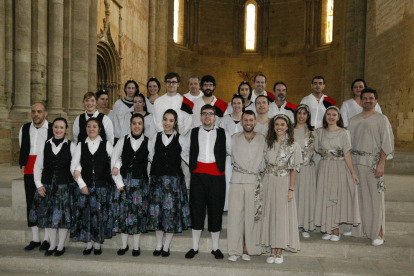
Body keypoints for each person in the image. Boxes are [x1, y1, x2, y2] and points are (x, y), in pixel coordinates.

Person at [183, 104, 231, 260]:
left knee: (215, 210)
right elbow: (184, 151)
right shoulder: (193, 132)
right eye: (204, 113)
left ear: (215, 116)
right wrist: (193, 164)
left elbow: (232, 151)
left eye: (210, 114)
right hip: (198, 177)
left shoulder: (224, 133)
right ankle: (194, 247)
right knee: (197, 210)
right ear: (201, 116)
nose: (207, 116)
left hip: (217, 177)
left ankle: (215, 248)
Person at [348, 88, 394, 246]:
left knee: (375, 199)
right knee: (359, 198)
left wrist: (381, 164)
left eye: (371, 98)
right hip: (355, 162)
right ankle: (361, 229)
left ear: (376, 101)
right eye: (365, 98)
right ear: (360, 100)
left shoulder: (382, 119)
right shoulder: (353, 120)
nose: (368, 101)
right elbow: (348, 144)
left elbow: (386, 143)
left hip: (373, 163)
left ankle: (378, 233)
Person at [29, 117, 76, 256]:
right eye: (56, 127)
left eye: (61, 127)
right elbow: (37, 167)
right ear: (52, 128)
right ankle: (52, 245)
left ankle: (60, 246)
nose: (58, 130)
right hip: (47, 185)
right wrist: (38, 185)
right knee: (49, 217)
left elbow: (76, 166)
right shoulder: (44, 145)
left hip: (64, 186)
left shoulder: (71, 146)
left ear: (66, 129)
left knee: (62, 218)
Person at [259, 114, 302, 264]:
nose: (279, 127)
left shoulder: (294, 145)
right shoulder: (267, 143)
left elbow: (294, 169)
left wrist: (291, 189)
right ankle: (271, 249)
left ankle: (279, 250)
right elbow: (262, 164)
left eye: (282, 124)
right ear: (273, 126)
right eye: (277, 124)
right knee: (270, 214)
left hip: (284, 182)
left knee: (281, 216)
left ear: (287, 127)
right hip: (269, 181)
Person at [147, 109, 191, 257]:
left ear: (175, 122)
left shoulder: (181, 139)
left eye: (171, 120)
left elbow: (187, 157)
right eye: (165, 119)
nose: (167, 123)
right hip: (158, 181)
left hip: (173, 182)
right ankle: (159, 244)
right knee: (157, 213)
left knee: (170, 214)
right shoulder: (155, 137)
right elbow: (152, 156)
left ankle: (166, 246)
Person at [314, 106, 361, 242]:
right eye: (328, 114)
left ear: (338, 117)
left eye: (334, 115)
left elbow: (347, 154)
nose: (331, 117)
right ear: (325, 116)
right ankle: (328, 228)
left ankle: (336, 230)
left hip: (339, 167)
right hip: (324, 167)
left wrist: (353, 172)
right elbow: (318, 150)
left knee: (336, 198)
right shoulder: (319, 132)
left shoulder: (343, 133)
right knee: (325, 196)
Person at [70, 118, 115, 255]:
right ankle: (88, 244)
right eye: (89, 126)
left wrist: (116, 169)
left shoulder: (106, 144)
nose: (91, 129)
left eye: (94, 126)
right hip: (86, 187)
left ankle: (97, 244)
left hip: (102, 186)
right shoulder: (80, 145)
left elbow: (116, 160)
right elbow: (74, 166)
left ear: (99, 129)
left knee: (99, 215)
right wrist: (82, 184)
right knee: (86, 215)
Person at [111, 113, 152, 256]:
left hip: (140, 183)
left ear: (143, 126)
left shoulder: (149, 142)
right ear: (130, 125)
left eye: (139, 123)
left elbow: (153, 162)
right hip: (123, 183)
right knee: (123, 214)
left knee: (138, 215)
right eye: (134, 123)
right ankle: (124, 245)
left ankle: (136, 246)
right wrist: (119, 183)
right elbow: (114, 161)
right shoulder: (122, 141)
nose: (136, 126)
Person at [227, 110, 264, 262]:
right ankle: (234, 250)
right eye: (245, 120)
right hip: (237, 179)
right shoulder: (233, 138)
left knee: (252, 217)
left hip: (254, 180)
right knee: (235, 217)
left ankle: (248, 248)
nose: (248, 123)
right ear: (241, 122)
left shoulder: (263, 139)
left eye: (251, 120)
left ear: (255, 121)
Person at [19, 102, 52, 251]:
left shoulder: (51, 128)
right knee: (30, 202)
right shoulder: (25, 128)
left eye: (39, 111)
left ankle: (46, 239)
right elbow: (23, 146)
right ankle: (35, 238)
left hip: (45, 167)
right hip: (30, 166)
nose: (36, 114)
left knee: (45, 203)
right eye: (33, 111)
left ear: (45, 113)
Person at [293, 104, 318, 238]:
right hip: (293, 170)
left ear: (308, 116)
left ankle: (306, 226)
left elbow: (318, 150)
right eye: (299, 113)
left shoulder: (313, 132)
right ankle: (294, 224)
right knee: (294, 196)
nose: (301, 116)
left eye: (304, 114)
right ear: (296, 114)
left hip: (308, 169)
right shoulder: (288, 130)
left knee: (306, 196)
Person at [220, 95, 244, 211]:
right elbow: (219, 138)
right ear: (231, 105)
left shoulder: (246, 119)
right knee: (227, 180)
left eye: (239, 103)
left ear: (243, 104)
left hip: (242, 157)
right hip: (227, 157)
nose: (236, 106)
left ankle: (239, 206)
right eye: (234, 103)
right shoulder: (224, 119)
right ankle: (227, 206)